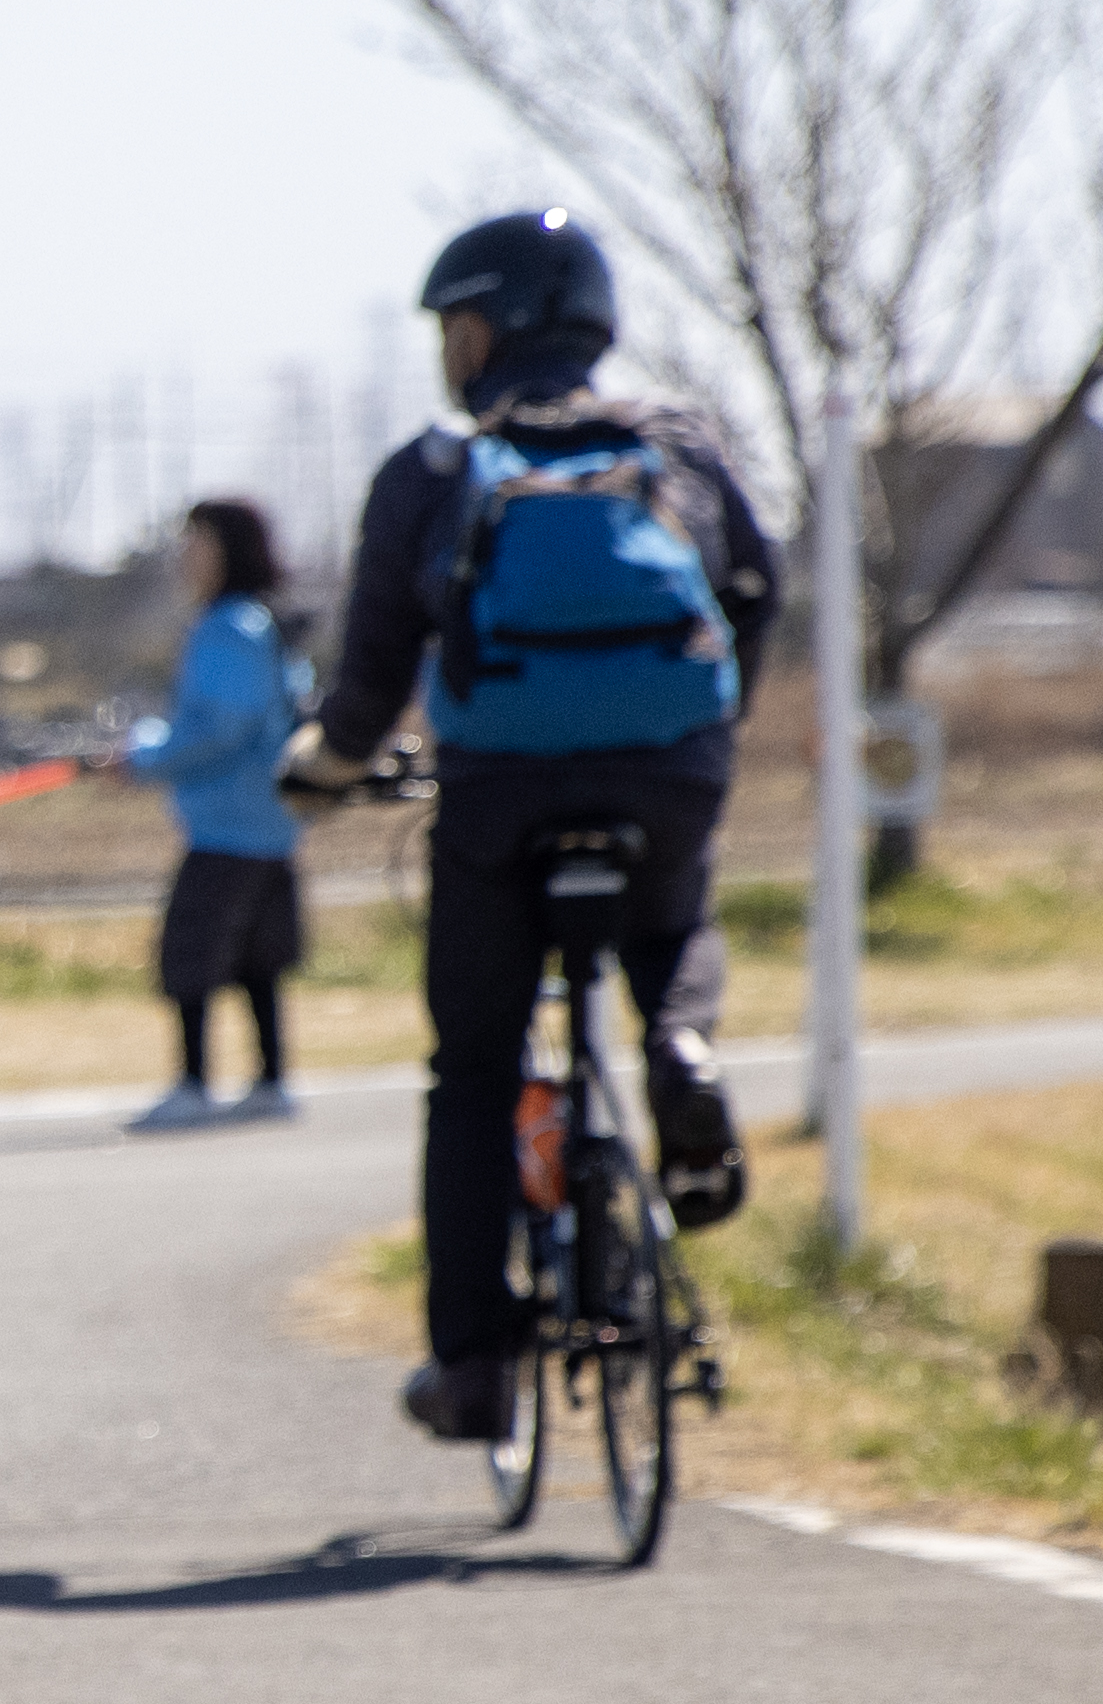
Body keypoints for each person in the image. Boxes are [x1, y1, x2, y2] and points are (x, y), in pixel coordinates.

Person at [296, 211, 778, 1449]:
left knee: (475, 1071)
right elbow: (754, 593)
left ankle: (471, 1369)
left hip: (499, 791)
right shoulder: (675, 443)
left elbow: (368, 677)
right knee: (676, 915)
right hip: (666, 769)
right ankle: (682, 1049)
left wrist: (326, 768)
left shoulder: (439, 467)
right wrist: (700, 736)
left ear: (482, 331)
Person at [117, 494, 309, 1130]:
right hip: (272, 822)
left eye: (194, 542)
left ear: (227, 549)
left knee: (191, 953)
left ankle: (196, 1083)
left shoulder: (227, 627)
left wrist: (141, 756)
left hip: (229, 823)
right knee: (259, 958)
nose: (184, 557)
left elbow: (219, 728)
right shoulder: (264, 623)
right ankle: (270, 1080)